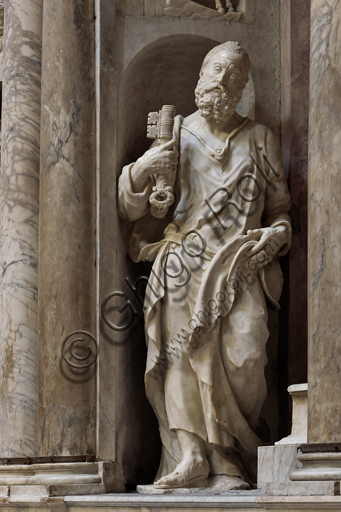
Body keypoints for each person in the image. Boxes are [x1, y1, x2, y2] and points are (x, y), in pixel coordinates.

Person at [118, 41, 291, 490]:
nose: (217, 86)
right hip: (182, 264)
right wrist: (143, 172)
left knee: (246, 354)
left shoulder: (260, 138)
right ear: (199, 79)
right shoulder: (179, 133)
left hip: (239, 266)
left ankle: (231, 454)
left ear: (240, 89)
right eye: (211, 75)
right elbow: (144, 209)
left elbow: (281, 212)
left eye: (229, 79)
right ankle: (194, 455)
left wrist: (279, 234)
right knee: (176, 356)